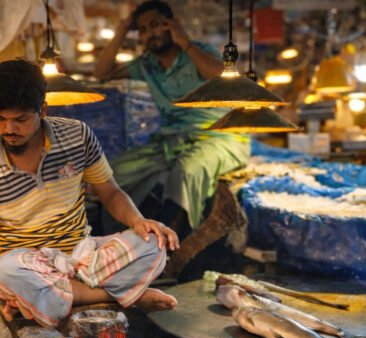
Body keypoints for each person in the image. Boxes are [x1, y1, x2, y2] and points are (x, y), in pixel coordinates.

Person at [0, 59, 179, 328]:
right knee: (2, 273)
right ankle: (128, 296)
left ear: (42, 110)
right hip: (26, 267)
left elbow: (110, 192)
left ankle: (52, 298)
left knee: (154, 242)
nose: (8, 129)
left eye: (20, 120)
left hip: (83, 258)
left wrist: (139, 222)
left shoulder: (77, 136)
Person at [93, 0, 250, 236]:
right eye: (142, 30)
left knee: (187, 171)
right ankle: (115, 239)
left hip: (218, 136)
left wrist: (185, 42)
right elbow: (101, 73)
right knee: (112, 173)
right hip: (169, 141)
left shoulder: (198, 51)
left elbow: (225, 80)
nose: (149, 34)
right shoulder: (146, 65)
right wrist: (123, 29)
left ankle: (177, 243)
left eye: (155, 25)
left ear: (172, 25)